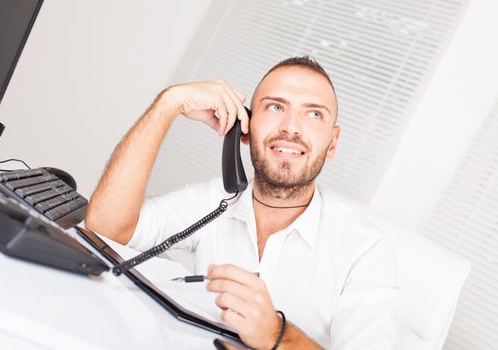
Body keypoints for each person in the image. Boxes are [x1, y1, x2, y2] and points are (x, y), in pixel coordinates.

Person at [85, 56, 397, 349]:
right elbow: (106, 225)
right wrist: (167, 104)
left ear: (333, 143)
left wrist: (277, 334)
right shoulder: (213, 201)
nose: (291, 127)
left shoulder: (366, 249)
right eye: (275, 107)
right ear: (244, 128)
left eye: (314, 114)